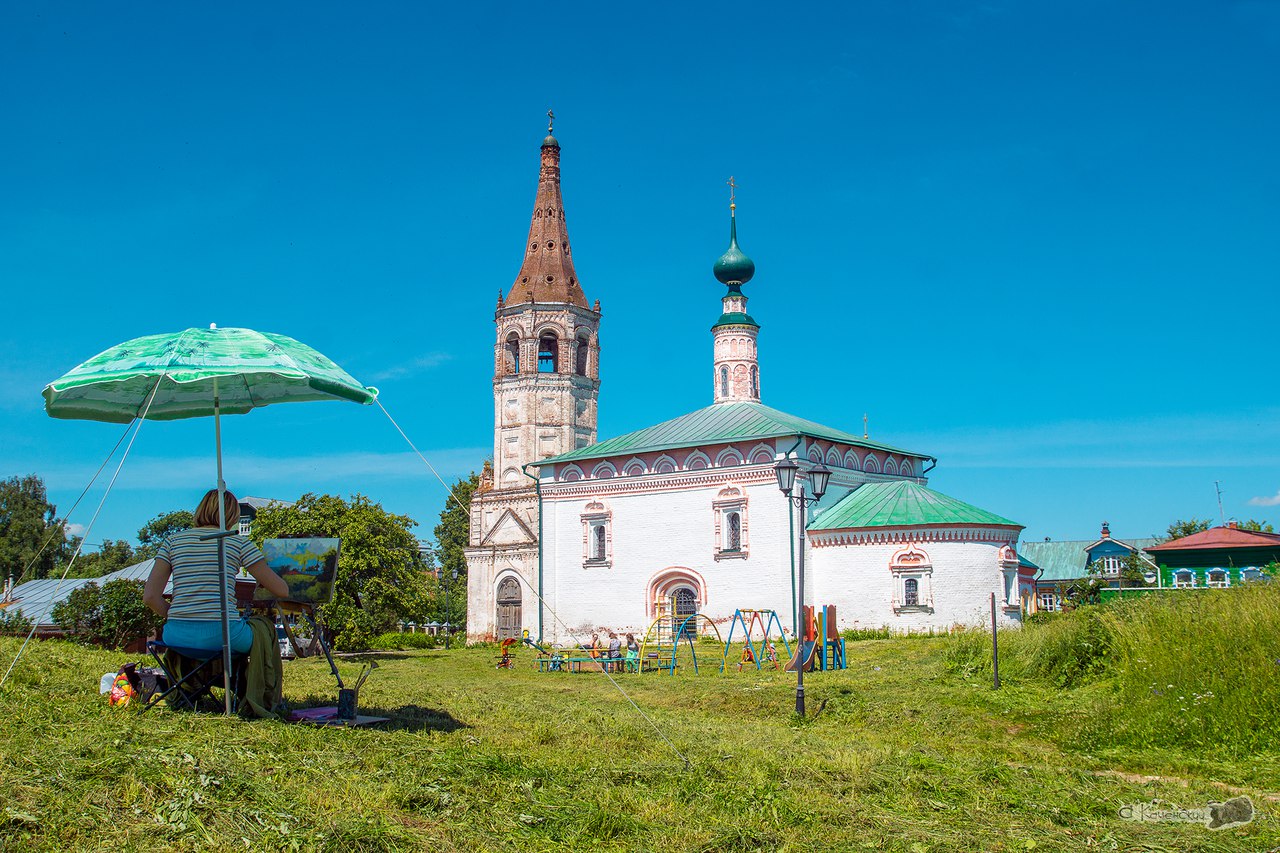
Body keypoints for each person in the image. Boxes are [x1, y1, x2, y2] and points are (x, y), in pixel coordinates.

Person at [143, 488, 289, 654]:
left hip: (176, 637)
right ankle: (252, 680)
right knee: (264, 629)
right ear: (233, 515)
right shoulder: (239, 543)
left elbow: (150, 597)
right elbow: (282, 590)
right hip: (225, 636)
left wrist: (181, 617)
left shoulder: (172, 541)